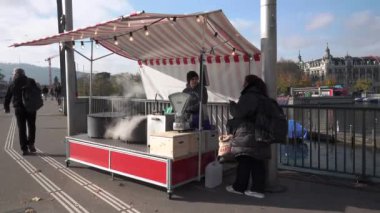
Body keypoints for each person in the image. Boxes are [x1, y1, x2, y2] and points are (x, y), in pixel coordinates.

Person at [225, 74, 271, 198]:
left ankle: (239, 187)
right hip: (262, 132)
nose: (243, 84)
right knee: (258, 162)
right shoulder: (263, 96)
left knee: (244, 160)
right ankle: (257, 189)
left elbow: (239, 113)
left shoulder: (249, 96)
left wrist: (232, 105)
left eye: (245, 82)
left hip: (248, 132)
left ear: (249, 83)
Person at [4, 68, 38, 155]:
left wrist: (6, 107)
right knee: (31, 126)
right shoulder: (31, 81)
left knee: (21, 128)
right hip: (31, 107)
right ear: (24, 73)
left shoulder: (13, 83)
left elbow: (8, 96)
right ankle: (31, 144)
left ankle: (24, 149)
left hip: (19, 108)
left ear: (15, 74)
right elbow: (37, 92)